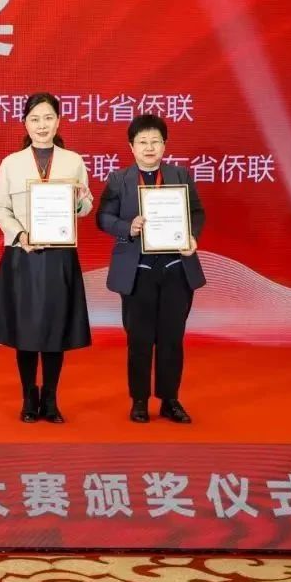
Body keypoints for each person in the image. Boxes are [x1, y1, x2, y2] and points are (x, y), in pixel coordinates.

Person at [0, 92, 93, 424]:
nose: (41, 125)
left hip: (60, 256)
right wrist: (20, 235)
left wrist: (79, 200)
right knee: (26, 329)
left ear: (58, 121)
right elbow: (0, 207)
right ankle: (29, 396)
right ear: (25, 123)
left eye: (48, 118)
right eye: (34, 119)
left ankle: (51, 398)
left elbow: (84, 208)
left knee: (56, 329)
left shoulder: (73, 161)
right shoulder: (11, 163)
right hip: (23, 255)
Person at [96, 114, 205, 424]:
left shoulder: (180, 175)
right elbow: (103, 217)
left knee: (172, 338)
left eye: (155, 141)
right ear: (131, 146)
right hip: (138, 270)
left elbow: (197, 212)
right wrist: (127, 227)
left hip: (175, 268)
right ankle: (140, 401)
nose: (149, 147)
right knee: (139, 340)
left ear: (164, 145)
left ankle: (170, 400)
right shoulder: (119, 179)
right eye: (142, 142)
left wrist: (191, 237)